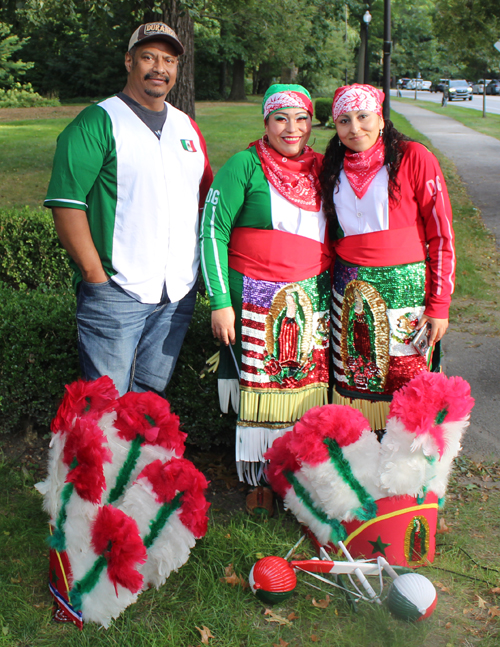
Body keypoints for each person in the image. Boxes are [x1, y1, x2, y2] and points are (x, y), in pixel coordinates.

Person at [44, 22, 213, 396]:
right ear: (128, 61)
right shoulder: (98, 121)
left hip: (176, 295)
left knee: (147, 404)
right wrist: (94, 276)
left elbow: (204, 201)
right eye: (148, 57)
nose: (160, 68)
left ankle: (137, 458)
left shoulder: (187, 126)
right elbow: (66, 203)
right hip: (116, 292)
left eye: (169, 60)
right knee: (103, 409)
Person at [200, 84, 332, 492]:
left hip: (312, 300)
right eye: (281, 119)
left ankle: (301, 475)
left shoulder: (324, 168)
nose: (291, 129)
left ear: (311, 123)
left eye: (301, 118)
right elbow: (212, 231)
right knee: (259, 391)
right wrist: (220, 301)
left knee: (305, 390)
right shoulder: (244, 165)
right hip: (255, 299)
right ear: (266, 123)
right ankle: (260, 480)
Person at [321, 83, 455, 434]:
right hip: (351, 295)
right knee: (357, 380)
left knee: (407, 381)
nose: (355, 128)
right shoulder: (332, 166)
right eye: (344, 121)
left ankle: (408, 474)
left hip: (407, 295)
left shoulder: (414, 157)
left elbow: (442, 235)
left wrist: (439, 304)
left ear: (381, 118)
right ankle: (360, 464)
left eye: (363, 117)